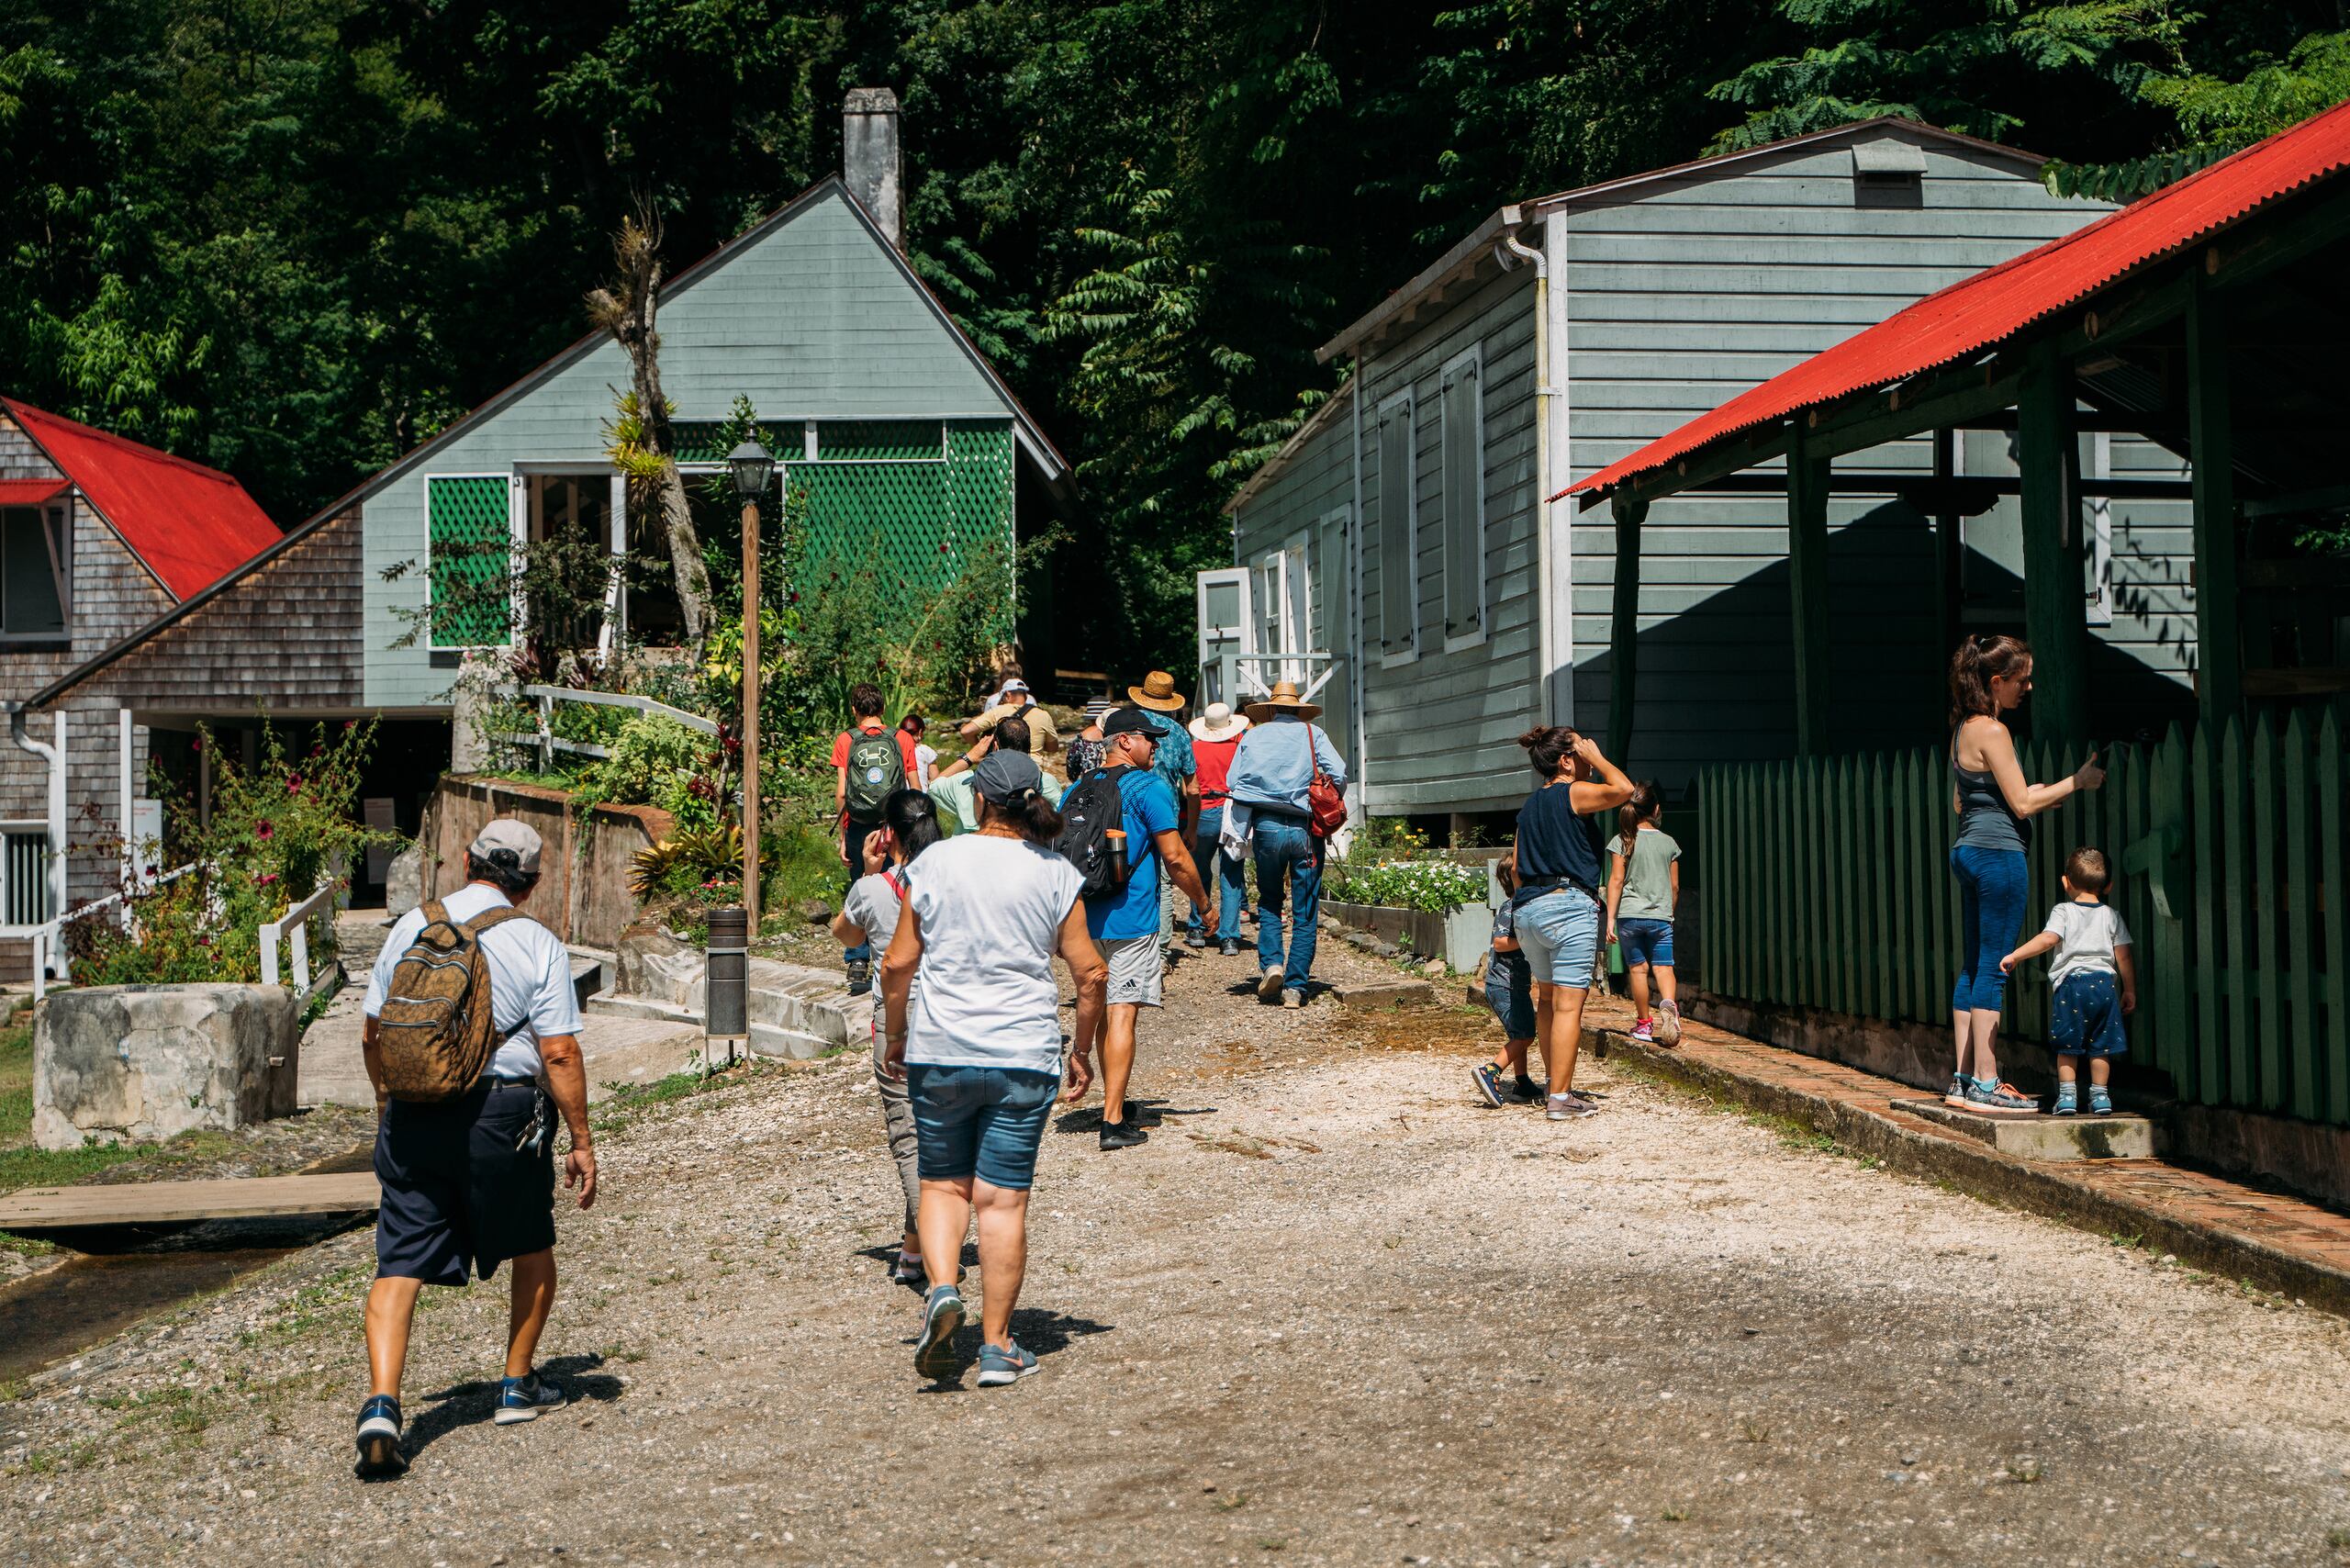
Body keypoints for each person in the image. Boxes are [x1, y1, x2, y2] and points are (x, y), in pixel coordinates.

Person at [354, 821, 596, 1477]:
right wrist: (581, 1140)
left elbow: (375, 1031)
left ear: (466, 862)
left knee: (398, 1260)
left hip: (414, 1113)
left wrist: (388, 1105)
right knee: (531, 1241)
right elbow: (559, 1051)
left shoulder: (412, 926)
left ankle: (382, 1403)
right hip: (502, 1115)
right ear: (534, 882)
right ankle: (517, 1385)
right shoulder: (539, 942)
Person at [878, 750, 1108, 1386]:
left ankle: (944, 1291)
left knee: (943, 1185)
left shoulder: (933, 863)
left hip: (941, 1050)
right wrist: (1081, 1050)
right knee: (1001, 1203)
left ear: (977, 799)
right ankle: (998, 1347)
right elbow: (1090, 972)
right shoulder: (1055, 873)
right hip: (1022, 1055)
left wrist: (897, 1033)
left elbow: (897, 964)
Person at [1947, 635, 2105, 1115]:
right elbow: (2019, 803)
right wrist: (2076, 782)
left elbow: (1963, 800)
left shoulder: (1960, 730)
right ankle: (1987, 1083)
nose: (2027, 687)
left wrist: (2034, 793)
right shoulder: (1994, 731)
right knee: (1997, 965)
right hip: (1999, 857)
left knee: (1974, 963)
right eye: (2020, 680)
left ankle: (1962, 1079)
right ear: (1996, 682)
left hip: (1968, 850)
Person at [1072, 706, 1208, 1148]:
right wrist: (1202, 904)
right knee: (1123, 1011)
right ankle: (1113, 1123)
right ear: (1125, 741)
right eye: (1149, 738)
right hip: (1133, 916)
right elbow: (1175, 857)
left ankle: (1115, 1099)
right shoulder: (1148, 787)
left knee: (1100, 1011)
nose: (1156, 745)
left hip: (1084, 918)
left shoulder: (1078, 787)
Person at [831, 790, 945, 1286]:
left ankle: (942, 1275)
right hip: (952, 1019)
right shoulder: (952, 878)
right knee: (939, 1137)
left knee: (909, 1138)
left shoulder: (872, 889)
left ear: (888, 834)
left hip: (898, 1020)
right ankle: (914, 1254)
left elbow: (846, 936)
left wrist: (865, 871)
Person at [1510, 726, 1637, 1121]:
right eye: (1582, 749)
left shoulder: (1530, 805)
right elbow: (1624, 790)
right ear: (1566, 761)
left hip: (1528, 910)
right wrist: (1599, 761)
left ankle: (1555, 1085)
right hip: (1568, 907)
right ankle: (1561, 1099)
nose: (1588, 755)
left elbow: (1515, 867)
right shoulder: (1574, 792)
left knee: (1547, 1002)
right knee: (1568, 1007)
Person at [1224, 679, 1348, 1008]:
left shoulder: (1253, 735)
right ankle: (1295, 987)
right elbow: (1339, 773)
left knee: (1269, 900)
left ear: (1272, 709)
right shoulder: (1312, 734)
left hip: (1266, 826)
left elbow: (1233, 781)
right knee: (1305, 908)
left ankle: (1272, 965)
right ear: (1298, 709)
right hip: (1305, 829)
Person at [2001, 846, 2134, 1116]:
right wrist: (2130, 989)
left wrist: (2016, 955)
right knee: (2101, 1048)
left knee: (2067, 1046)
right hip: (2104, 988)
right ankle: (2100, 1098)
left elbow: (2048, 939)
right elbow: (2124, 956)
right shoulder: (2111, 916)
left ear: (2065, 882)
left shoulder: (2063, 911)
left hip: (2071, 987)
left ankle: (2067, 1097)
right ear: (2108, 886)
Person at [834, 682, 923, 995]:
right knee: (901, 886)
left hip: (860, 826)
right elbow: (914, 787)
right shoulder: (902, 738)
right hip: (895, 826)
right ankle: (903, 952)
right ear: (883, 709)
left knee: (861, 884)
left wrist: (846, 835)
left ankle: (857, 962)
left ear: (855, 710)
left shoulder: (846, 740)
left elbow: (843, 794)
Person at [1604, 781, 1683, 1047]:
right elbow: (1675, 885)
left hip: (1630, 915)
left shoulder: (1622, 840)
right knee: (1664, 966)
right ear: (1656, 809)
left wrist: (1611, 918)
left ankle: (1643, 1024)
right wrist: (1668, 911)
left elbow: (1615, 880)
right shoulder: (1669, 843)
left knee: (1638, 970)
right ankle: (1669, 1008)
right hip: (1661, 916)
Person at [1127, 672, 1198, 951]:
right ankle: (1162, 951)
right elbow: (1192, 788)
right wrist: (1192, 827)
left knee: (1132, 874)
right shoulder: (1179, 733)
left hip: (1130, 808)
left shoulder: (1130, 728)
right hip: (1166, 812)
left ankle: (1133, 943)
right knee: (1165, 882)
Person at [1471, 850, 1545, 1107]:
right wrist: (1529, 941)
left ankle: (1522, 1080)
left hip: (1512, 983)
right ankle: (1490, 1071)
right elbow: (1501, 943)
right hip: (1505, 984)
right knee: (1525, 1036)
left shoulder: (1519, 906)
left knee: (1519, 1032)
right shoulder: (1512, 907)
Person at [1184, 701, 1249, 953]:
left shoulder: (1194, 749)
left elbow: (1187, 786)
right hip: (1233, 811)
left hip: (1205, 811)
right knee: (1232, 874)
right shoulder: (1239, 748)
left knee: (1198, 871)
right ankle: (1230, 936)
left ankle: (1198, 927)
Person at [928, 716, 1061, 833]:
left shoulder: (969, 780)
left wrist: (969, 757)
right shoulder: (1046, 782)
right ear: (1029, 746)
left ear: (995, 745)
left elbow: (934, 787)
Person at [960, 678, 1060, 758]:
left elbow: (966, 731)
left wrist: (980, 750)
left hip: (1002, 770)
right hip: (1034, 772)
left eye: (1002, 699)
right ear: (1025, 695)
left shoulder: (998, 711)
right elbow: (1053, 748)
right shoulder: (1043, 715)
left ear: (1007, 694)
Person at [901, 713, 938, 789]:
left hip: (900, 796)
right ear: (920, 732)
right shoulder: (925, 750)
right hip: (922, 795)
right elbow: (935, 779)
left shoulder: (896, 749)